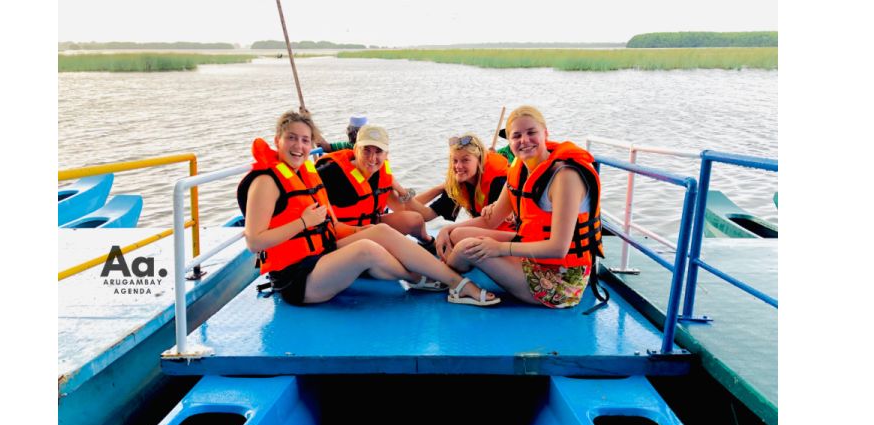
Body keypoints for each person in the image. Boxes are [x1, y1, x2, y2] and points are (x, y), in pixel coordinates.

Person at [236, 110, 499, 307]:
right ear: (277, 140)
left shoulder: (306, 175)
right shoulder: (266, 182)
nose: (299, 146)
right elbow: (255, 242)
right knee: (367, 248)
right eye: (291, 138)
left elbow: (332, 227)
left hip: (322, 253)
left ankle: (456, 284)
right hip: (297, 278)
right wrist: (303, 223)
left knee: (379, 233)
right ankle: (422, 277)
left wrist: (367, 229)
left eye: (305, 140)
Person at [437, 106, 607, 309]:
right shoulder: (520, 168)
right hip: (531, 251)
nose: (524, 140)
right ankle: (447, 272)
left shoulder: (565, 177)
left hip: (561, 280)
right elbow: (491, 220)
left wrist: (499, 249)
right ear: (509, 142)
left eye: (531, 132)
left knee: (467, 247)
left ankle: (443, 278)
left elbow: (558, 248)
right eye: (516, 136)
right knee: (460, 233)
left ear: (545, 133)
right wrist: (447, 229)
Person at [316, 124, 437, 253]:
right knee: (387, 241)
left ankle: (428, 243)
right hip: (341, 236)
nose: (372, 158)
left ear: (386, 154)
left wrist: (400, 189)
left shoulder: (382, 172)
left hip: (371, 225)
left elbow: (400, 208)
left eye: (378, 151)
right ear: (356, 149)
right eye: (366, 150)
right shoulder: (330, 173)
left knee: (415, 219)